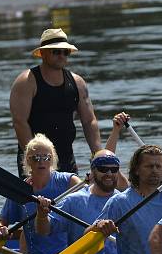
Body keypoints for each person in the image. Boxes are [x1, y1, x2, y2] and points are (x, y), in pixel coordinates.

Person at [10, 28, 101, 178]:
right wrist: (35, 159)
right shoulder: (26, 82)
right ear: (43, 53)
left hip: (67, 158)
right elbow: (20, 122)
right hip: (37, 160)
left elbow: (89, 120)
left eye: (65, 52)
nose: (61, 56)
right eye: (56, 52)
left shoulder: (77, 82)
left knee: (71, 200)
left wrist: (98, 155)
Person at [0, 134, 81, 254]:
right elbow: (3, 221)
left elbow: (89, 195)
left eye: (46, 157)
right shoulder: (20, 190)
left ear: (52, 160)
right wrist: (1, 229)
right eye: (35, 158)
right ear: (28, 161)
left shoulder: (69, 182)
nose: (41, 161)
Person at [34, 149, 121, 254]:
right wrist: (42, 215)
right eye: (103, 169)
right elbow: (43, 230)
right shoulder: (74, 200)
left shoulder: (123, 200)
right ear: (93, 171)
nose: (109, 174)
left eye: (114, 169)